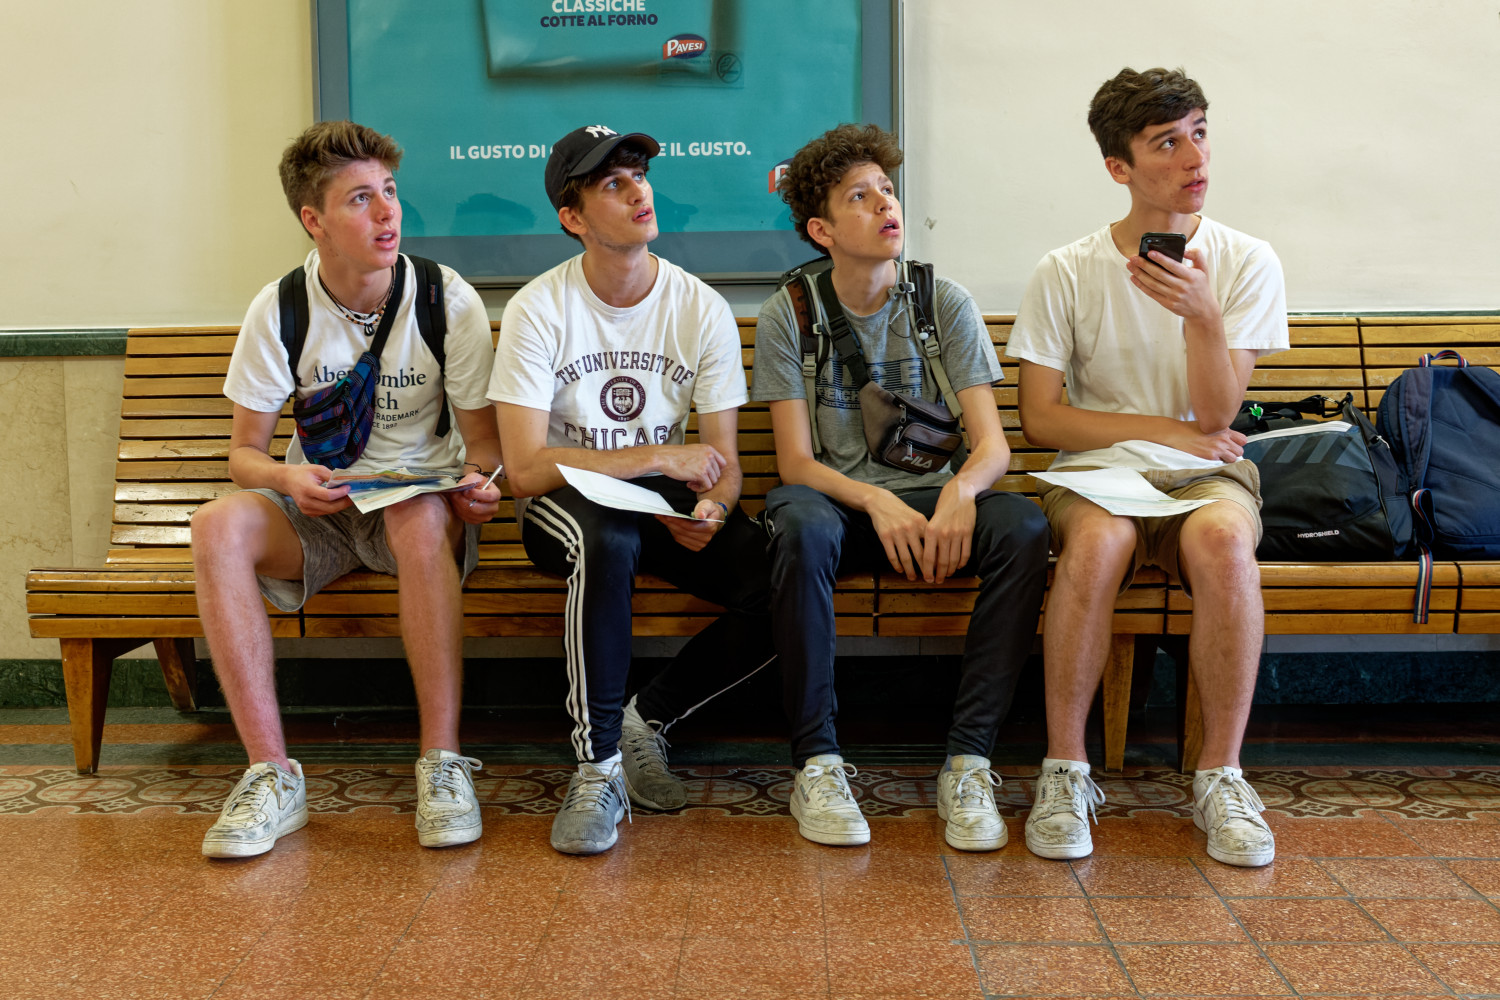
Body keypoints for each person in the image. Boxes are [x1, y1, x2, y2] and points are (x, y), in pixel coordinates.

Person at [190, 121, 502, 858]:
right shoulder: (281, 307)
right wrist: (286, 477)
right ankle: (271, 775)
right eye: (361, 199)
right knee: (215, 527)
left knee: (422, 516)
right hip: (322, 507)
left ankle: (442, 762)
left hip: (421, 505)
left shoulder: (442, 296)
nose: (388, 212)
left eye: (389, 192)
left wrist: (480, 485)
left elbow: (484, 449)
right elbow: (243, 455)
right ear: (314, 219)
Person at [1008, 68, 1289, 867]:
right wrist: (1161, 429)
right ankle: (1065, 771)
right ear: (1120, 169)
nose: (1193, 156)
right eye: (1167, 142)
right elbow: (1042, 419)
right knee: (1098, 546)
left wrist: (1203, 315)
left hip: (1206, 473)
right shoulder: (1066, 269)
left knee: (1226, 545)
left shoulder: (1245, 260)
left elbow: (1219, 418)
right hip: (1098, 473)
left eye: (1200, 132)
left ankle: (1221, 778)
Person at [752, 124, 1050, 850]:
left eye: (887, 190)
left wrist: (959, 496)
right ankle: (817, 763)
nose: (886, 205)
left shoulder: (940, 301)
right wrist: (878, 499)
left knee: (1024, 528)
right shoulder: (789, 313)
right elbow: (795, 462)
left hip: (937, 511)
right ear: (821, 229)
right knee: (794, 520)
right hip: (844, 510)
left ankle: (969, 760)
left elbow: (992, 447)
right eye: (861, 196)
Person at [489, 125, 775, 856]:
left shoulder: (698, 306)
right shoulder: (538, 309)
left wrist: (713, 507)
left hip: (666, 502)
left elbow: (724, 462)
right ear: (573, 217)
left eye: (639, 174)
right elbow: (522, 470)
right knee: (604, 537)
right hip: (566, 504)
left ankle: (646, 720)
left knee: (782, 579)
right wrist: (655, 455)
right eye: (612, 183)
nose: (638, 190)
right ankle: (598, 769)